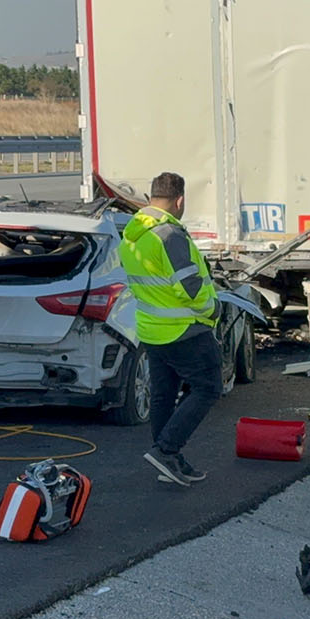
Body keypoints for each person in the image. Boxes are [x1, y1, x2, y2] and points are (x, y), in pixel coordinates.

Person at [119, 172, 219, 487]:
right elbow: (189, 288)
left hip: (151, 329)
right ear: (179, 200)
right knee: (208, 387)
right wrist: (213, 309)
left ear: (152, 198)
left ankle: (166, 459)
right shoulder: (170, 235)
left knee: (164, 395)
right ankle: (167, 450)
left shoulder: (132, 234)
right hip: (183, 329)